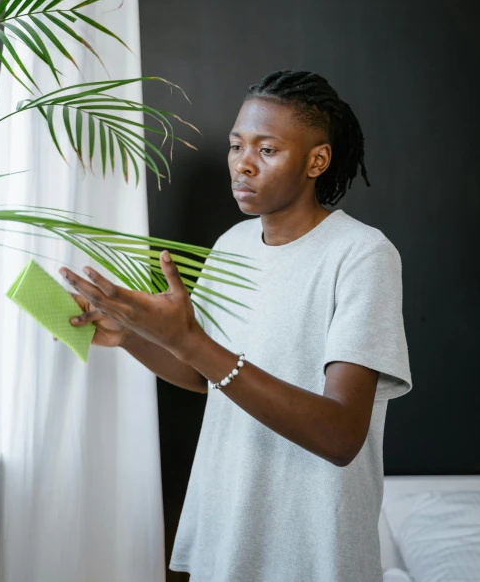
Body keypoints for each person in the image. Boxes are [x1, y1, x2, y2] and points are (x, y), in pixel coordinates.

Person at [60, 69, 412, 582]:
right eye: (235, 146)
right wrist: (130, 336)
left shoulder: (362, 255)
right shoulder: (233, 245)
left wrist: (189, 341)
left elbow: (340, 435)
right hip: (228, 525)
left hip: (315, 545)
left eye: (267, 151)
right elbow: (206, 377)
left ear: (317, 160)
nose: (242, 165)